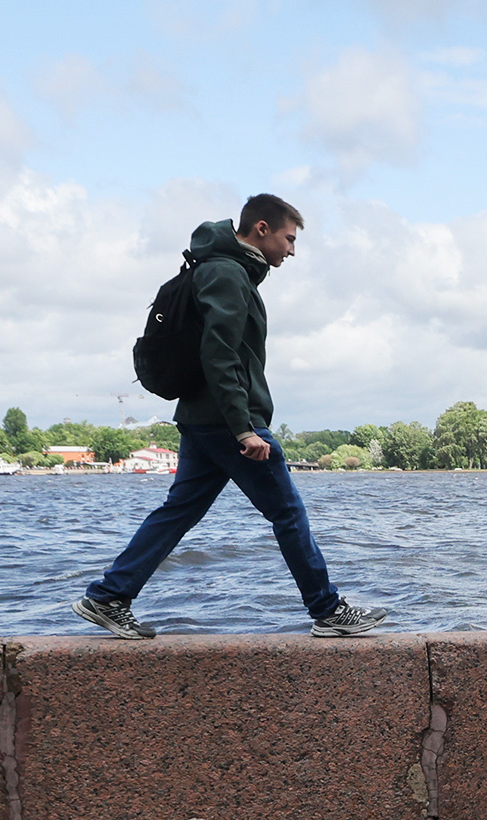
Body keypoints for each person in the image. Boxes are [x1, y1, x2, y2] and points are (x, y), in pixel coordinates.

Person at [72, 194, 387, 640]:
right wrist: (244, 428)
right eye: (289, 238)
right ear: (261, 229)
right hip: (227, 421)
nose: (292, 250)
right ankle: (328, 610)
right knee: (289, 514)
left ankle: (108, 597)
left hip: (204, 418)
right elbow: (219, 355)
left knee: (179, 511)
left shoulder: (222, 269)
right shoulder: (228, 273)